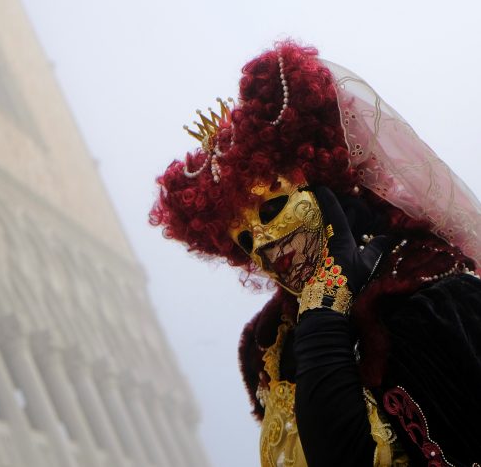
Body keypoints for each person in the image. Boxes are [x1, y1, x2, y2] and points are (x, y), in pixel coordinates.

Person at [150, 41, 481, 466]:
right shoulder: (273, 350)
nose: (264, 245)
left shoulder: (426, 292)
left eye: (272, 209)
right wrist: (323, 309)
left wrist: (325, 310)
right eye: (245, 242)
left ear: (320, 188)